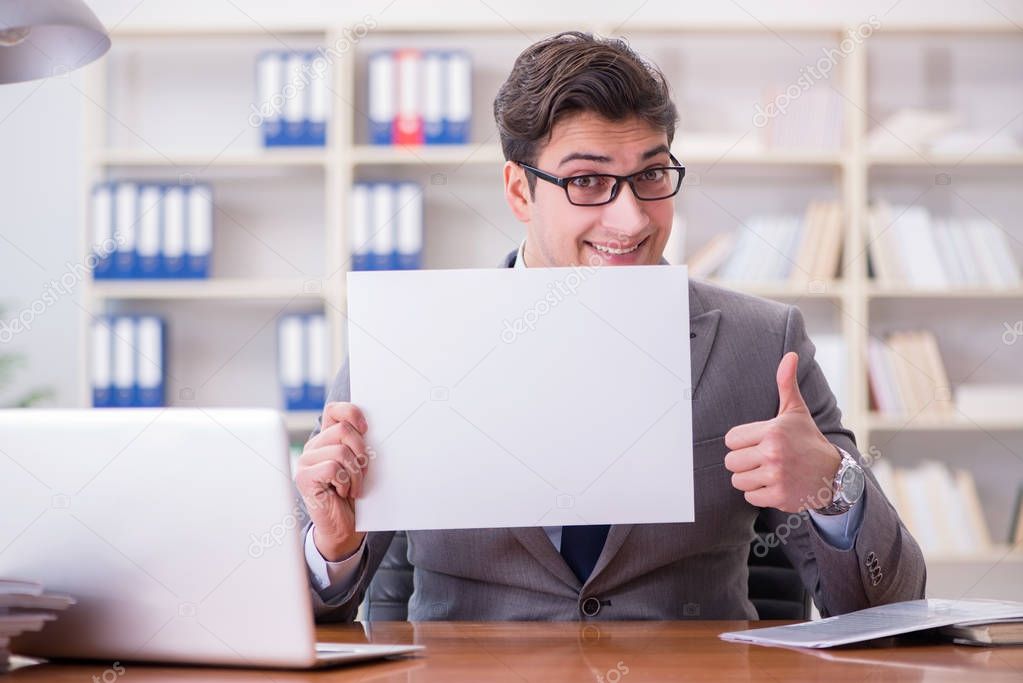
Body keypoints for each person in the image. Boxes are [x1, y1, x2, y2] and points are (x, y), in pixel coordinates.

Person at [295, 31, 925, 622]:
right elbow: (304, 620)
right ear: (519, 191)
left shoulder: (761, 343)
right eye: (588, 180)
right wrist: (332, 547)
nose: (630, 220)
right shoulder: (407, 343)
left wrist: (833, 488)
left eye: (650, 175)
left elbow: (894, 607)